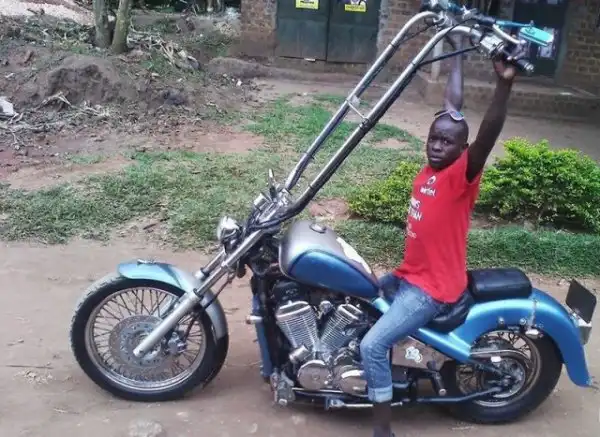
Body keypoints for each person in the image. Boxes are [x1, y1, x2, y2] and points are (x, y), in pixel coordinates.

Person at [359, 34, 526, 437]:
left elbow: (487, 134)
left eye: (447, 142)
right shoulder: (432, 169)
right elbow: (453, 105)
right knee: (351, 295)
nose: (436, 146)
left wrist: (504, 84)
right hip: (409, 276)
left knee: (371, 345)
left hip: (431, 290)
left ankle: (382, 430)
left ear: (462, 149)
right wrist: (458, 49)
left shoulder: (459, 177)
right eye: (433, 138)